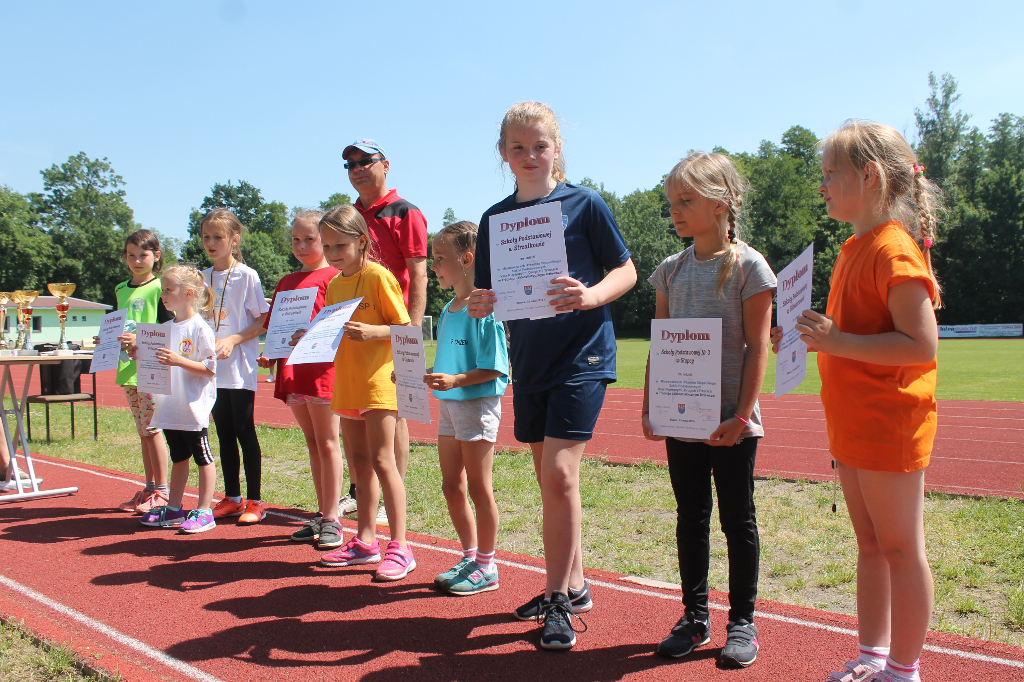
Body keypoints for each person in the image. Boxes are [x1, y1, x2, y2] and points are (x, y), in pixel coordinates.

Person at [771, 120, 940, 682]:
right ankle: (872, 658)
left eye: (829, 174)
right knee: (870, 544)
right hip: (852, 423)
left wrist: (838, 341)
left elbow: (920, 345)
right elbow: (848, 329)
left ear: (868, 177)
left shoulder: (895, 250)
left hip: (889, 422)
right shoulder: (853, 247)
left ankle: (904, 669)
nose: (822, 185)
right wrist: (799, 337)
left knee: (899, 548)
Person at [469, 101, 637, 649]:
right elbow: (491, 293)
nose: (530, 155)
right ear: (503, 155)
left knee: (562, 474)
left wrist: (590, 296)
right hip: (531, 361)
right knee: (550, 479)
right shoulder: (495, 219)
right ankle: (578, 584)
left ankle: (558, 602)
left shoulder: (584, 204)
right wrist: (482, 302)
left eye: (539, 145)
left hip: (582, 354)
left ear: (556, 148)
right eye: (517, 147)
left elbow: (626, 269)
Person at [641, 152, 776, 668]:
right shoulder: (668, 272)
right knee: (690, 518)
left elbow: (759, 346)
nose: (674, 210)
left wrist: (741, 417)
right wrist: (653, 407)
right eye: (671, 201)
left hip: (733, 424)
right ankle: (694, 616)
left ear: (721, 203)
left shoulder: (749, 266)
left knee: (738, 521)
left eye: (685, 201)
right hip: (683, 422)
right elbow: (661, 343)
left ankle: (742, 622)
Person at [295, 205, 416, 581]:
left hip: (379, 382)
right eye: (327, 246)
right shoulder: (334, 284)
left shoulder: (378, 277)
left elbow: (406, 330)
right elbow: (334, 333)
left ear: (362, 241)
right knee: (360, 466)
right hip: (347, 383)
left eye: (340, 246)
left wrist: (374, 333)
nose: (332, 255)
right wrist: (308, 338)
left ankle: (400, 546)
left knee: (384, 462)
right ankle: (365, 541)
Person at [343, 138, 428, 514]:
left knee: (393, 411)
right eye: (350, 164)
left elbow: (418, 272)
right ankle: (361, 490)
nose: (358, 168)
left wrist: (410, 329)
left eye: (365, 161)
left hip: (393, 327)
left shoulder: (404, 212)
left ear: (386, 165)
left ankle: (389, 495)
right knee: (356, 408)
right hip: (355, 329)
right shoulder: (350, 217)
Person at [424, 221, 508, 596]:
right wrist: (418, 375)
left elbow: (495, 368)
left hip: (475, 405)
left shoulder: (485, 307)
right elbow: (448, 364)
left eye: (440, 258)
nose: (434, 266)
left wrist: (455, 381)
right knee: (451, 485)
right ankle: (470, 555)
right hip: (450, 406)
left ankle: (488, 566)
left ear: (467, 258)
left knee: (479, 486)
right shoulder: (447, 309)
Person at [257, 210, 345, 548]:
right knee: (312, 444)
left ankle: (334, 519)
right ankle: (323, 513)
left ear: (324, 240)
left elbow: (338, 326)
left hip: (323, 370)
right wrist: (272, 353)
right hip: (293, 371)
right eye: (296, 239)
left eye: (309, 239)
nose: (301, 245)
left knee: (328, 442)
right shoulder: (285, 282)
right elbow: (277, 329)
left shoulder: (336, 277)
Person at [134, 265, 219, 533]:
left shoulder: (199, 328)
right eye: (162, 290)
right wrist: (140, 355)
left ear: (189, 293)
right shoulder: (164, 328)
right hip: (169, 407)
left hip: (192, 408)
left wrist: (180, 361)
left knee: (203, 458)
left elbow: (210, 368)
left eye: (168, 289)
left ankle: (205, 511)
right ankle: (173, 509)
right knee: (179, 458)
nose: (163, 295)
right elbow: (157, 363)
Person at [200, 209, 271, 525]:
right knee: (223, 432)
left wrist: (233, 340)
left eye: (218, 237)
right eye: (206, 237)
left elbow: (262, 320)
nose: (212, 243)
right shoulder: (201, 278)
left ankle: (255, 502)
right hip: (211, 370)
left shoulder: (247, 275)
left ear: (234, 240)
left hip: (240, 368)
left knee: (244, 431)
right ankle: (231, 497)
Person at [114, 229, 174, 515]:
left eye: (144, 255)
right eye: (132, 255)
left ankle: (162, 492)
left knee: (153, 429)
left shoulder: (160, 287)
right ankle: (149, 487)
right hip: (128, 368)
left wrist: (142, 340)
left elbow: (169, 328)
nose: (137, 260)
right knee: (143, 432)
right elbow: (120, 324)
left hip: (150, 368)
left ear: (156, 256)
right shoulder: (120, 289)